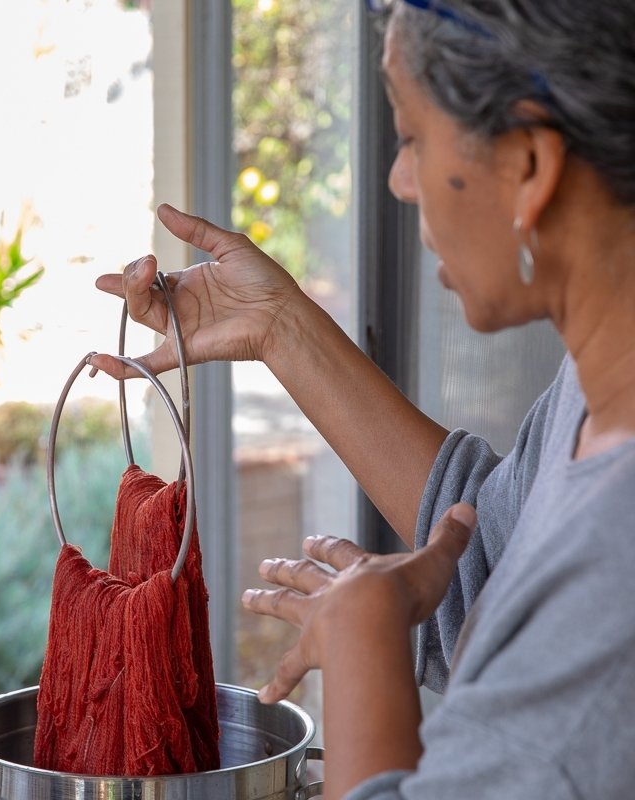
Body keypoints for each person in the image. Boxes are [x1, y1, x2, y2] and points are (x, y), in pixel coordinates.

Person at [91, 0, 635, 797]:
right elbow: (496, 567)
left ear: (528, 163)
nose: (399, 181)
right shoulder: (596, 395)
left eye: (411, 137)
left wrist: (360, 642)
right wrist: (279, 327)